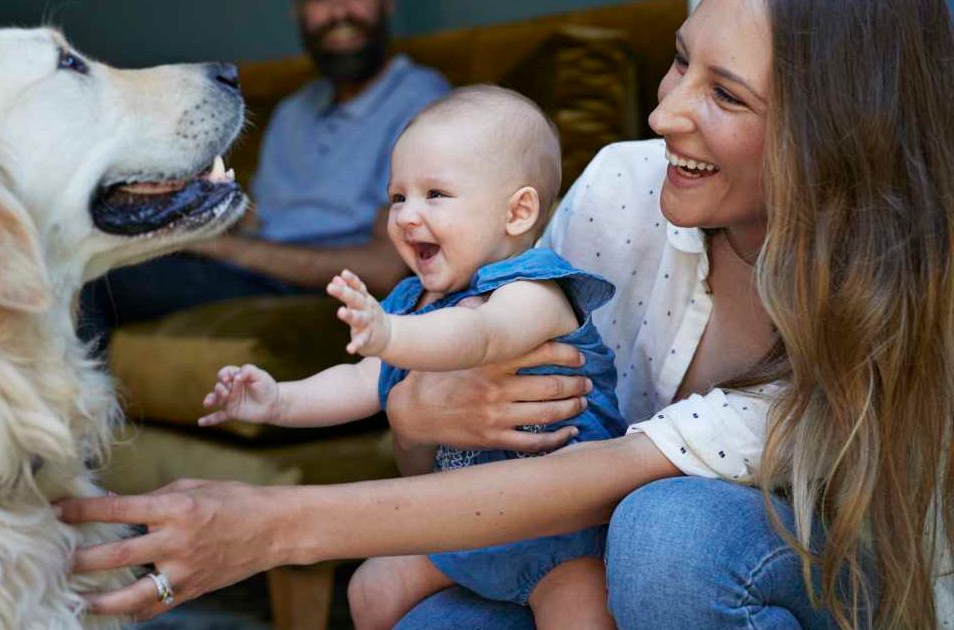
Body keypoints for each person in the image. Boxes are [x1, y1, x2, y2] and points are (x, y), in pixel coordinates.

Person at [59, 0, 954, 627]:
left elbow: (604, 477)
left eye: (726, 94)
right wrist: (412, 409)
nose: (662, 108)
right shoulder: (621, 187)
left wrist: (268, 527)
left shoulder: (882, 299)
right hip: (582, 538)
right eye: (682, 57)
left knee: (670, 535)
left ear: (832, 133)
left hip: (815, 581)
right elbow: (445, 427)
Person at [198, 86, 624, 629]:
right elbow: (362, 381)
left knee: (581, 615)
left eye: (435, 194)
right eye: (398, 197)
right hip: (461, 526)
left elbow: (478, 335)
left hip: (562, 538)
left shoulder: (535, 292)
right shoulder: (413, 303)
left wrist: (390, 334)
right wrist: (278, 401)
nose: (405, 215)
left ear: (516, 213)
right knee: (371, 588)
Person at [77, 0, 449, 347]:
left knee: (97, 283)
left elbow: (385, 269)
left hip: (312, 289)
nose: (338, 12)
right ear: (298, 12)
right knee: (90, 255)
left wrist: (222, 247)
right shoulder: (293, 112)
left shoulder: (423, 103)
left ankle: (62, 417)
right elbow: (257, 219)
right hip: (245, 273)